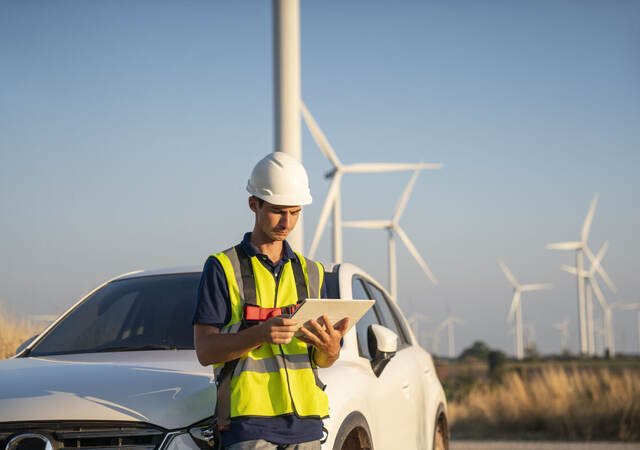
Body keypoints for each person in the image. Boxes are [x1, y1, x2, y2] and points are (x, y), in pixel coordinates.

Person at [193, 152, 349, 450]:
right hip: (247, 425)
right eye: (278, 211)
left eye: (295, 212)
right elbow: (205, 350)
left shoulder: (312, 273)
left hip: (307, 425)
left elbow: (320, 360)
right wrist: (260, 334)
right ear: (254, 204)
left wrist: (331, 351)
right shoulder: (223, 267)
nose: (286, 222)